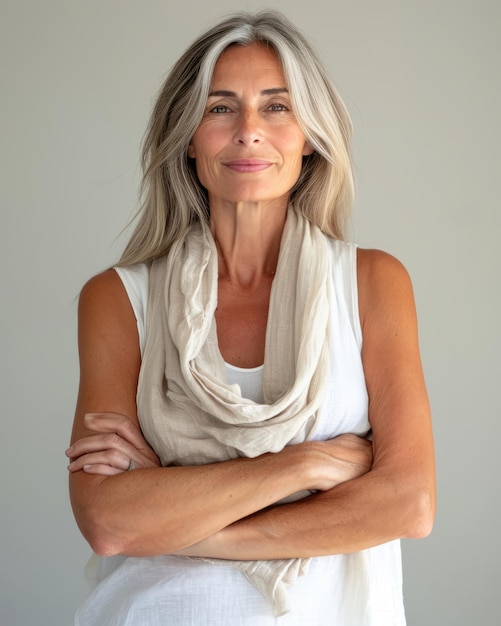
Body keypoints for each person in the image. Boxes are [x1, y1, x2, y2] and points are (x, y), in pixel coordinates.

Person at [66, 9, 435, 625]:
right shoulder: (118, 299)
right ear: (187, 134)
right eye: (219, 108)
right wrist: (306, 465)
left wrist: (179, 522)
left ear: (311, 133)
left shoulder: (371, 282)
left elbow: (408, 503)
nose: (249, 132)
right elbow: (107, 520)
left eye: (277, 106)